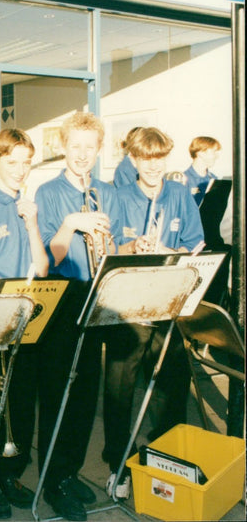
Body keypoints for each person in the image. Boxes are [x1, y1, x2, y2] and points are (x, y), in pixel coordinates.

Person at [105, 127, 204, 499]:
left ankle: (167, 460)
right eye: (145, 158)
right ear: (133, 159)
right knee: (119, 393)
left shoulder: (179, 193)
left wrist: (170, 252)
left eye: (159, 157)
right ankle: (118, 462)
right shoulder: (118, 195)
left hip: (168, 308)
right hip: (128, 311)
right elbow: (109, 247)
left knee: (171, 390)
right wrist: (132, 246)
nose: (153, 165)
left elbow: (197, 244)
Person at [34, 111, 123, 521]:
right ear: (63, 147)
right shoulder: (48, 192)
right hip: (64, 298)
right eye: (76, 147)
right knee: (57, 393)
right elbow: (48, 260)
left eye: (90, 147)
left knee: (86, 393)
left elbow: (118, 246)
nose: (83, 154)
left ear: (98, 149)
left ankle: (69, 473)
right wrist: (71, 224)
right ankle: (52, 483)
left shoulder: (109, 192)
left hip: (99, 296)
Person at [0, 128, 48, 519]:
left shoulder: (30, 205)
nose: (20, 170)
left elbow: (44, 266)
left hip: (26, 319)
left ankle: (10, 474)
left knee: (21, 402)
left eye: (26, 163)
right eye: (12, 162)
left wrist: (32, 223)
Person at [184, 136, 221, 206]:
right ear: (201, 153)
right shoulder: (181, 181)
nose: (217, 156)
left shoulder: (214, 179)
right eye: (214, 152)